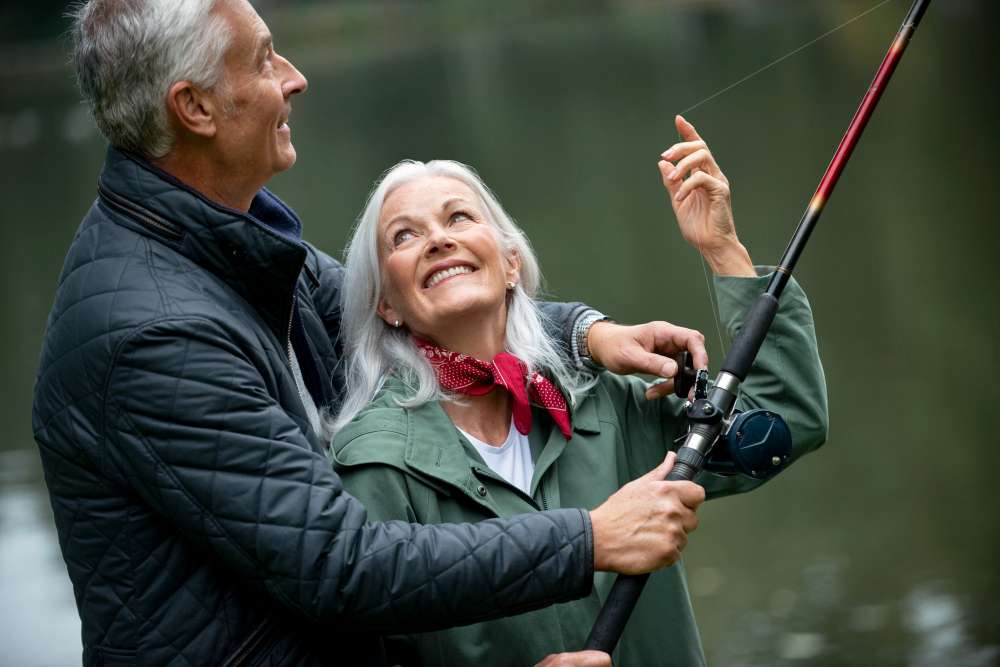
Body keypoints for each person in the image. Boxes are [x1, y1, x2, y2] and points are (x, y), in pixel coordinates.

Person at [32, 1, 716, 665]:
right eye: (265, 60)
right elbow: (339, 563)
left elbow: (420, 309)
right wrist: (590, 538)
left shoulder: (236, 244)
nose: (294, 78)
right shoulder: (155, 333)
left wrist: (583, 335)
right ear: (196, 108)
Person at [328, 121, 829, 666]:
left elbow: (783, 425)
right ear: (387, 305)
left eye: (459, 217)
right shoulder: (371, 463)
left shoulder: (603, 397)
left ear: (512, 263)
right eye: (404, 236)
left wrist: (722, 249)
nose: (438, 239)